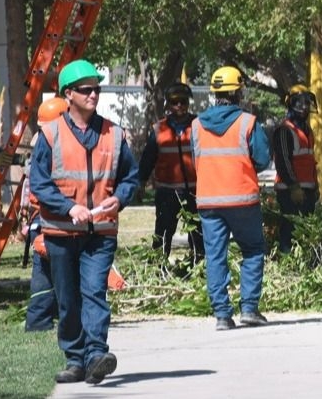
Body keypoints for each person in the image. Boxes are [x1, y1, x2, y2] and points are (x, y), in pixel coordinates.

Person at [29, 59, 139, 385]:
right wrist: (67, 207)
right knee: (68, 298)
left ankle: (95, 357)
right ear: (69, 94)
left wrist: (119, 197)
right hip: (61, 231)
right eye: (86, 89)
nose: (93, 94)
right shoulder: (49, 135)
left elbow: (130, 177)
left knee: (94, 292)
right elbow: (39, 184)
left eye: (96, 88)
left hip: (100, 231)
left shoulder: (114, 134)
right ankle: (75, 359)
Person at [191, 66, 271, 331]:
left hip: (209, 201)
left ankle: (222, 316)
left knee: (215, 256)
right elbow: (261, 158)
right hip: (242, 199)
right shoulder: (248, 122)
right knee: (253, 250)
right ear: (239, 92)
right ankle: (249, 308)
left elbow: (197, 160)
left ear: (215, 93)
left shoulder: (196, 125)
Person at [139, 82, 204, 264]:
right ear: (168, 104)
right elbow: (147, 159)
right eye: (175, 102)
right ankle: (157, 269)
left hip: (195, 192)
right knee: (163, 234)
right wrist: (141, 182)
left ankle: (198, 268)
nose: (179, 106)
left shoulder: (199, 126)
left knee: (198, 235)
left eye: (183, 102)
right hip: (167, 193)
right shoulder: (159, 129)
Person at [22, 96, 70, 332]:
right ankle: (40, 319)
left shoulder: (41, 143)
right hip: (46, 218)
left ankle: (43, 318)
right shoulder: (50, 148)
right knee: (48, 272)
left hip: (40, 218)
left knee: (49, 272)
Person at [272, 84, 319, 254]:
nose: (304, 107)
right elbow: (283, 162)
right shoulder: (285, 130)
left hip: (307, 190)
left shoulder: (308, 131)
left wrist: (315, 185)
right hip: (289, 191)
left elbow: (310, 161)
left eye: (307, 102)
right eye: (299, 102)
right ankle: (286, 258)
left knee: (306, 232)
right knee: (289, 231)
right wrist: (294, 186)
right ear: (290, 104)